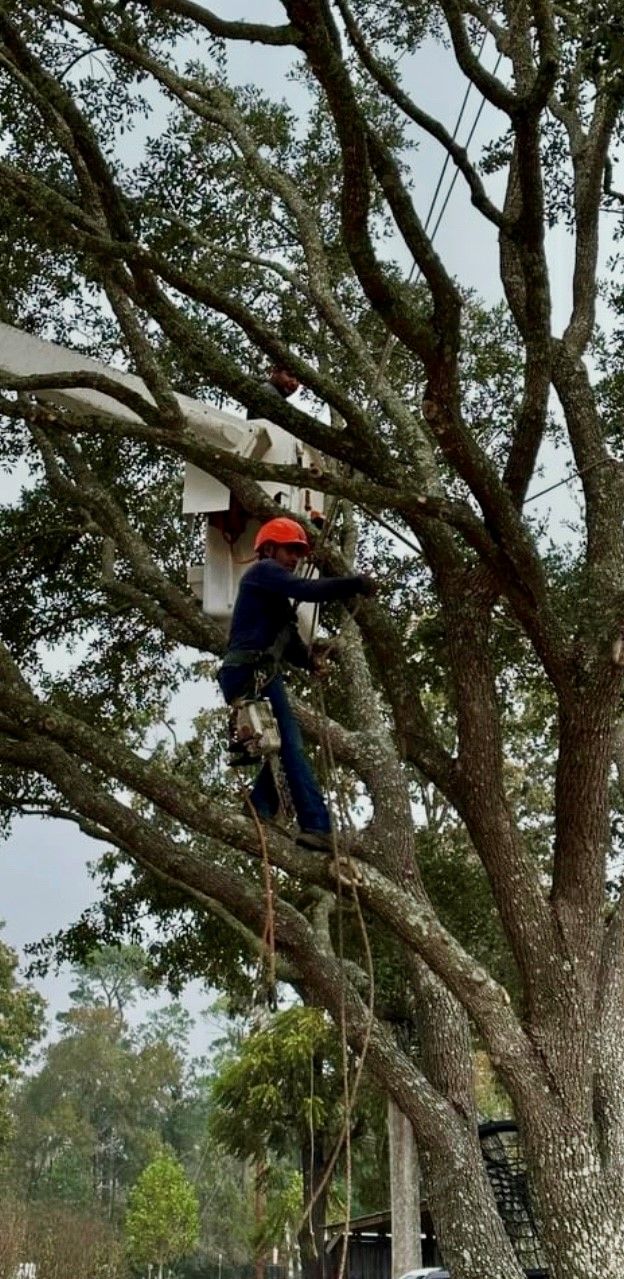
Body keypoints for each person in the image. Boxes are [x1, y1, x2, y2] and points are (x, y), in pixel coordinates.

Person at [218, 516, 376, 852]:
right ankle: (316, 825)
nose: (295, 559)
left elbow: (288, 644)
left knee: (282, 743)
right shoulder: (263, 572)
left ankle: (259, 806)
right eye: (290, 551)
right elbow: (308, 590)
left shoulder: (275, 600)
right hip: (250, 671)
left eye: (298, 553)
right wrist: (355, 582)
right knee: (290, 744)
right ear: (270, 549)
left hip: (255, 672)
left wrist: (310, 661)